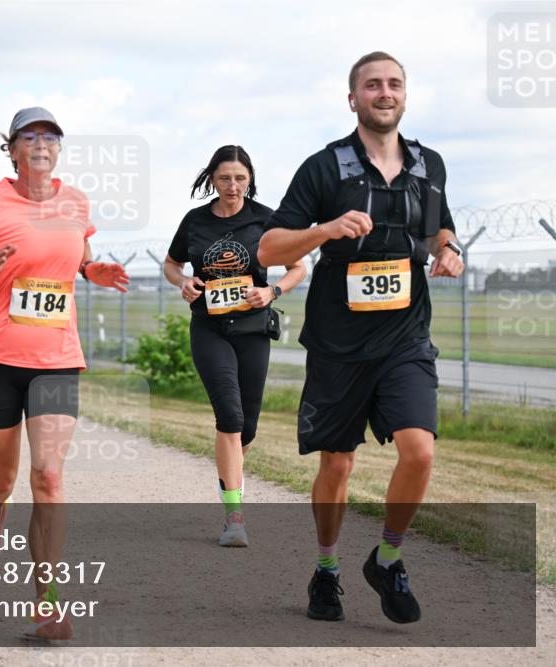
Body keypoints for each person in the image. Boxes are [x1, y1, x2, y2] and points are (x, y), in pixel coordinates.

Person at [258, 52, 465, 625]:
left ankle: (388, 559)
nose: (384, 92)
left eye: (394, 84)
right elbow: (269, 248)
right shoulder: (324, 168)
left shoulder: (430, 165)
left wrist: (448, 251)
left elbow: (437, 228)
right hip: (339, 344)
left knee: (419, 450)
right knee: (337, 467)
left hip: (405, 338)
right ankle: (326, 569)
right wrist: (325, 229)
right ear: (353, 99)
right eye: (372, 84)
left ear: (405, 95)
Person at [0, 107, 129, 641]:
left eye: (51, 136)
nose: (42, 143)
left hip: (57, 359)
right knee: (3, 479)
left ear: (58, 149)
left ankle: (49, 602)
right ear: (13, 149)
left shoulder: (75, 201)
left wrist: (95, 270)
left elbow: (81, 258)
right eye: (30, 136)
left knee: (49, 476)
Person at [165, 145, 306, 547]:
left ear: (250, 179)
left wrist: (272, 290)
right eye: (225, 177)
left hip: (253, 330)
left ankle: (233, 473)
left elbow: (298, 267)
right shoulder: (195, 221)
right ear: (212, 178)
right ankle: (234, 516)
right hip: (209, 329)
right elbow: (172, 264)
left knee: (246, 426)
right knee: (229, 415)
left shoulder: (266, 219)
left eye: (240, 178)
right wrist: (183, 283)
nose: (232, 185)